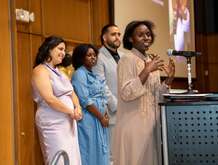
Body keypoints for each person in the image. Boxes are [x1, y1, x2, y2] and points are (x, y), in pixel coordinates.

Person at [112, 20, 175, 165]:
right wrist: (146, 70)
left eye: (148, 34)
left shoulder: (151, 61)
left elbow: (156, 95)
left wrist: (169, 80)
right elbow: (126, 93)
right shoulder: (127, 60)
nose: (146, 37)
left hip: (152, 125)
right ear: (130, 39)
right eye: (141, 35)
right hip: (133, 125)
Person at [31, 36, 82, 165]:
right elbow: (49, 99)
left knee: (71, 157)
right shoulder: (40, 70)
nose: (63, 53)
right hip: (52, 121)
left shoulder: (59, 71)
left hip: (68, 121)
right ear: (49, 49)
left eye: (64, 50)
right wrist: (71, 111)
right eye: (60, 49)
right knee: (58, 157)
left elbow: (71, 93)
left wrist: (78, 107)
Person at [71, 44, 110, 165]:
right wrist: (101, 117)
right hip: (90, 119)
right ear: (81, 58)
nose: (93, 57)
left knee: (102, 153)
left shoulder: (95, 74)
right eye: (89, 55)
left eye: (94, 55)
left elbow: (102, 96)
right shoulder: (79, 74)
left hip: (100, 118)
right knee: (90, 153)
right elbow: (85, 101)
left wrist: (105, 114)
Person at [92, 24, 123, 158]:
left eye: (119, 34)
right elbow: (101, 85)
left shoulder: (124, 56)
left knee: (124, 154)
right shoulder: (98, 57)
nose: (117, 37)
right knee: (112, 155)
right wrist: (117, 106)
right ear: (104, 38)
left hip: (129, 112)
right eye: (113, 34)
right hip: (112, 112)